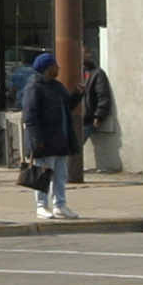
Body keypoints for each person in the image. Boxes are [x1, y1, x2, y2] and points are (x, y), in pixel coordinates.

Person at [19, 53, 80, 219]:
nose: (58, 68)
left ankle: (60, 205)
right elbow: (30, 117)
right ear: (47, 68)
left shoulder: (57, 86)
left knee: (60, 175)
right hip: (44, 140)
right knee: (43, 174)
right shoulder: (34, 88)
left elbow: (68, 106)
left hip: (60, 139)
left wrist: (77, 95)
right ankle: (41, 206)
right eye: (55, 65)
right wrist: (36, 140)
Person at [79, 52, 116, 168]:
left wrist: (99, 116)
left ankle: (69, 171)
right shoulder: (75, 72)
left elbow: (103, 95)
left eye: (83, 53)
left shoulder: (97, 74)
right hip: (73, 117)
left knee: (75, 144)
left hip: (87, 119)